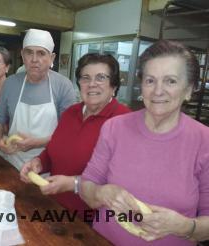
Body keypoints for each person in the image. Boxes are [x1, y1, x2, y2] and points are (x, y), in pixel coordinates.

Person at [80, 40, 209, 246]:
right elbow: (86, 185)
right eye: (150, 80)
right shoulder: (114, 128)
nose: (158, 91)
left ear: (189, 89)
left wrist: (185, 226)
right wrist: (100, 193)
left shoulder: (204, 141)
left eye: (171, 81)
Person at [20, 53, 131, 217]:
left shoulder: (124, 121)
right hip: (54, 205)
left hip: (93, 218)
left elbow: (121, 179)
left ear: (113, 86)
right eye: (85, 78)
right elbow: (54, 150)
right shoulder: (71, 113)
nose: (92, 84)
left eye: (101, 77)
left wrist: (73, 184)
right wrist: (39, 162)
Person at [0, 28, 76, 170]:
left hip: (48, 166)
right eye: (29, 52)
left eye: (41, 53)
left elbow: (69, 133)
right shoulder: (11, 83)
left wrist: (37, 143)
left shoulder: (63, 86)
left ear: (52, 58)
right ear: (22, 55)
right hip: (13, 162)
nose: (34, 59)